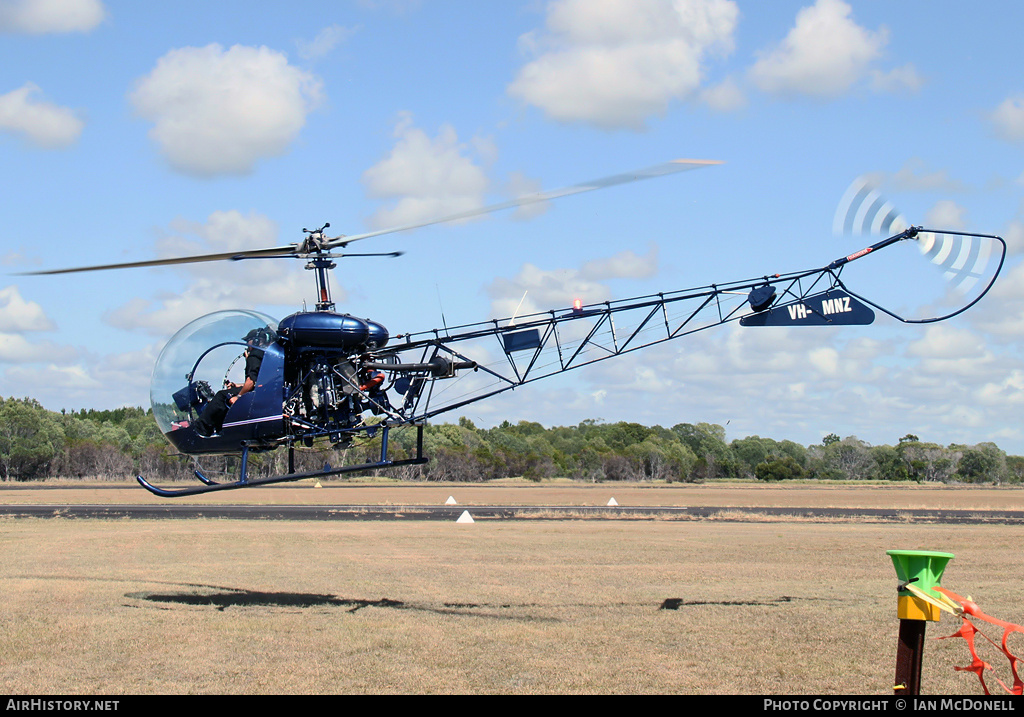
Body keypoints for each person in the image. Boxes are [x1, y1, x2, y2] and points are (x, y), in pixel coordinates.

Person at [194, 328, 269, 437]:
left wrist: (239, 396)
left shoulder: (255, 355)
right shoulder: (265, 354)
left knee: (221, 396)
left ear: (256, 341)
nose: (247, 344)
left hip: (256, 395)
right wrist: (236, 386)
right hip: (263, 392)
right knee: (228, 392)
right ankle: (219, 428)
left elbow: (251, 382)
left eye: (248, 341)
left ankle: (201, 429)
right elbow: (258, 381)